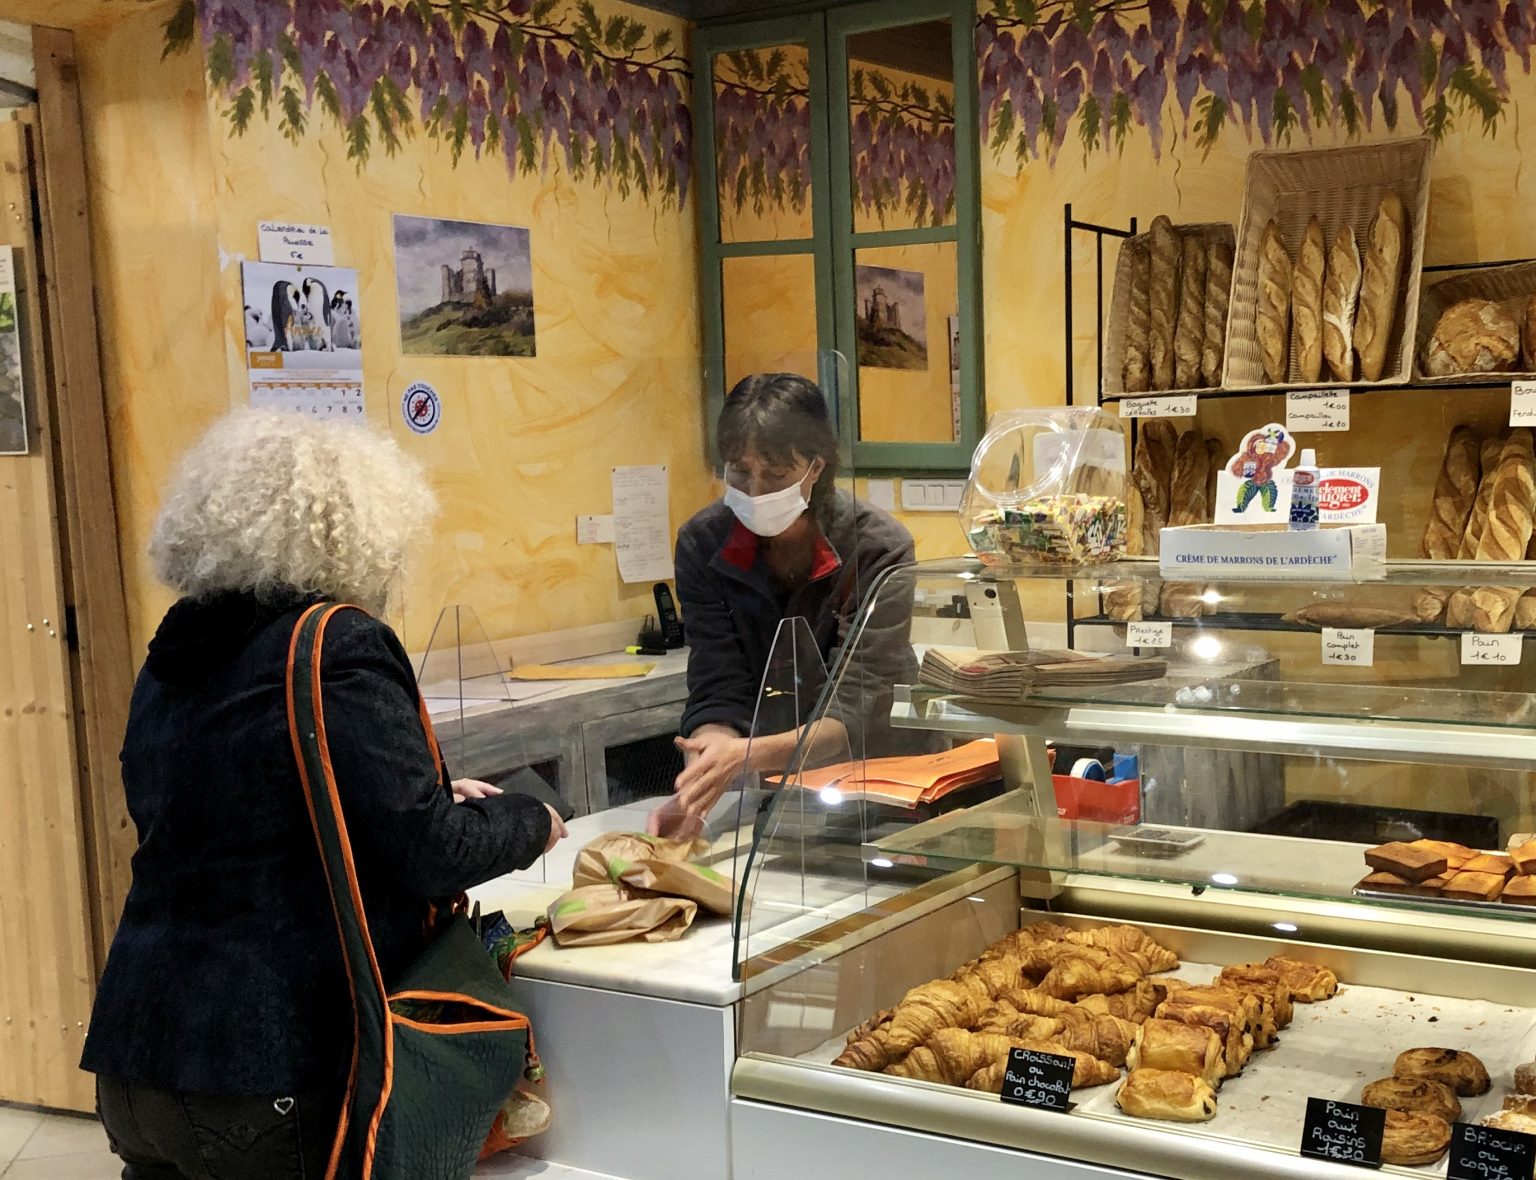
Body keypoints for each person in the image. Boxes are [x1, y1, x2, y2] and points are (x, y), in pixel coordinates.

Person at [82, 411, 566, 1180]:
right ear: (362, 531)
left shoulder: (174, 653)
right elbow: (430, 850)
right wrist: (527, 819)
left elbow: (236, 820)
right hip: (269, 1062)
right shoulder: (335, 642)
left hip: (137, 1054)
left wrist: (419, 796)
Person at [651, 372, 928, 838]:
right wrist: (704, 768)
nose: (755, 491)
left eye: (776, 475)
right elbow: (719, 684)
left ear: (816, 467)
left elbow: (854, 710)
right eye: (739, 471)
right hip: (783, 791)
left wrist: (742, 757)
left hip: (888, 782)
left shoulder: (878, 549)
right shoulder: (703, 543)